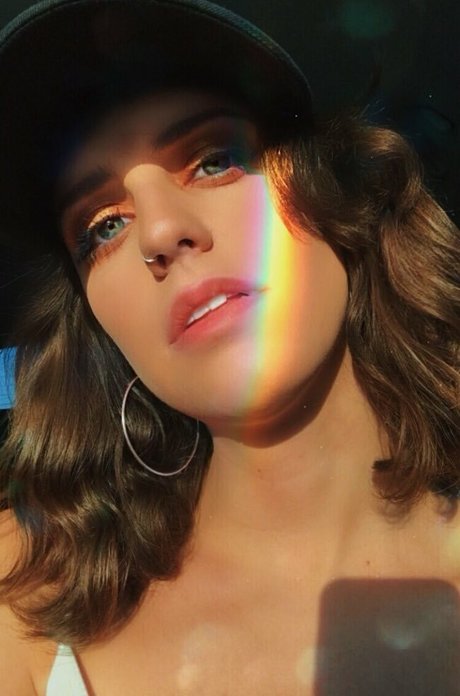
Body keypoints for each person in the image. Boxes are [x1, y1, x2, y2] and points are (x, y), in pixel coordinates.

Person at [0, 0, 458, 694]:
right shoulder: (27, 592)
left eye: (214, 161)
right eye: (103, 227)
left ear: (336, 195)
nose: (160, 232)